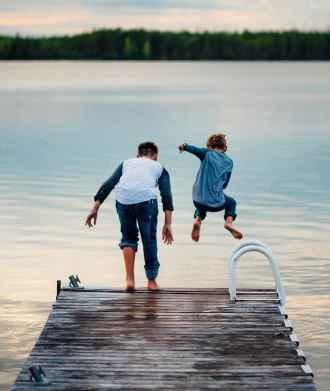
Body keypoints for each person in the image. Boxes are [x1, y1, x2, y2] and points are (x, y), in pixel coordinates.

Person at [85, 142, 174, 292]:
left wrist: (95, 207)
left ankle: (130, 280)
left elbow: (109, 183)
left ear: (138, 156)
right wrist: (168, 224)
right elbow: (166, 195)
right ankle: (151, 282)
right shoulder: (160, 168)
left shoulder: (127, 163)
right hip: (146, 200)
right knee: (149, 239)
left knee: (128, 238)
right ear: (156, 156)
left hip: (123, 199)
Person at [178, 134, 242, 242]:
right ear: (225, 148)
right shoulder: (229, 162)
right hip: (217, 204)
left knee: (202, 198)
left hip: (197, 201)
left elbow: (196, 150)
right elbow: (225, 185)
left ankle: (198, 220)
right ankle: (228, 223)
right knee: (231, 202)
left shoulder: (206, 153)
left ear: (208, 147)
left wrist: (184, 147)